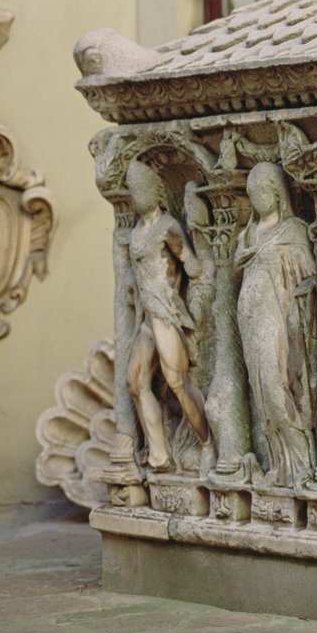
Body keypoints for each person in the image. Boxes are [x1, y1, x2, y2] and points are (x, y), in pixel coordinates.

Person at [125, 159, 213, 473]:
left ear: (156, 191)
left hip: (166, 311)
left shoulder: (167, 226)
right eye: (133, 190)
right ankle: (159, 455)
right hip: (147, 317)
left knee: (176, 381)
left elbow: (192, 264)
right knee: (135, 382)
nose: (138, 195)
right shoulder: (136, 232)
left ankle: (207, 443)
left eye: (142, 188)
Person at [235, 162, 317, 488]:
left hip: (278, 319)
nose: (257, 198)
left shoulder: (292, 230)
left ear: (277, 193)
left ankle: (302, 462)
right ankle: (280, 465)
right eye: (251, 193)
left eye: (262, 191)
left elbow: (307, 276)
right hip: (251, 322)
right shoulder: (247, 235)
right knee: (262, 395)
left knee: (276, 386)